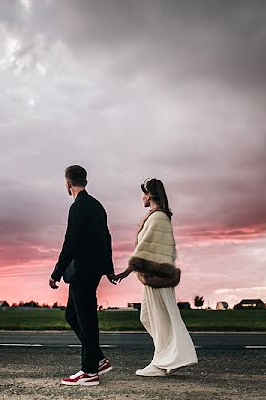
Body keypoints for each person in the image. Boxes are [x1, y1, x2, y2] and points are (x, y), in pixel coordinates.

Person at [112, 178, 197, 376]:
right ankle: (167, 358)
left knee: (161, 318)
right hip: (154, 277)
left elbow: (146, 249)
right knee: (150, 317)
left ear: (149, 195)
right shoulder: (158, 217)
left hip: (157, 278)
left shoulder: (158, 218)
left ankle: (162, 363)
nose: (142, 198)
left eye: (144, 194)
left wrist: (126, 272)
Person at [49, 164, 115, 386]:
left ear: (67, 183)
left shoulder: (78, 207)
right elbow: (107, 238)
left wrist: (56, 273)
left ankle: (89, 372)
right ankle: (97, 359)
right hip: (93, 270)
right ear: (85, 180)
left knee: (86, 319)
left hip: (82, 272)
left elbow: (71, 243)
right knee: (72, 315)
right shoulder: (97, 206)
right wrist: (109, 268)